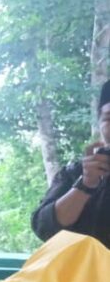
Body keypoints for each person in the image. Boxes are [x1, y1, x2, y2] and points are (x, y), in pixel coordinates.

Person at [31, 80, 110, 248]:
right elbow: (44, 228)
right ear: (100, 123)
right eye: (109, 118)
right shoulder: (75, 173)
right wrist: (85, 185)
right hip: (81, 272)